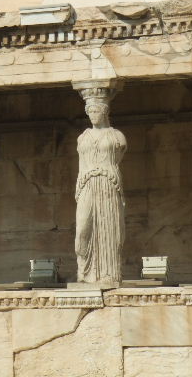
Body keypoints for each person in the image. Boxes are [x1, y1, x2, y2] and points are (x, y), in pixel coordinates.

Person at [75, 91, 127, 284]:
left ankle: (109, 274)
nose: (93, 115)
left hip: (108, 182)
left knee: (109, 227)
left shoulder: (117, 137)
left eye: (96, 111)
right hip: (87, 183)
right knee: (83, 228)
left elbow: (118, 158)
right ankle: (85, 272)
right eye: (90, 111)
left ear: (105, 112)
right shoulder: (83, 137)